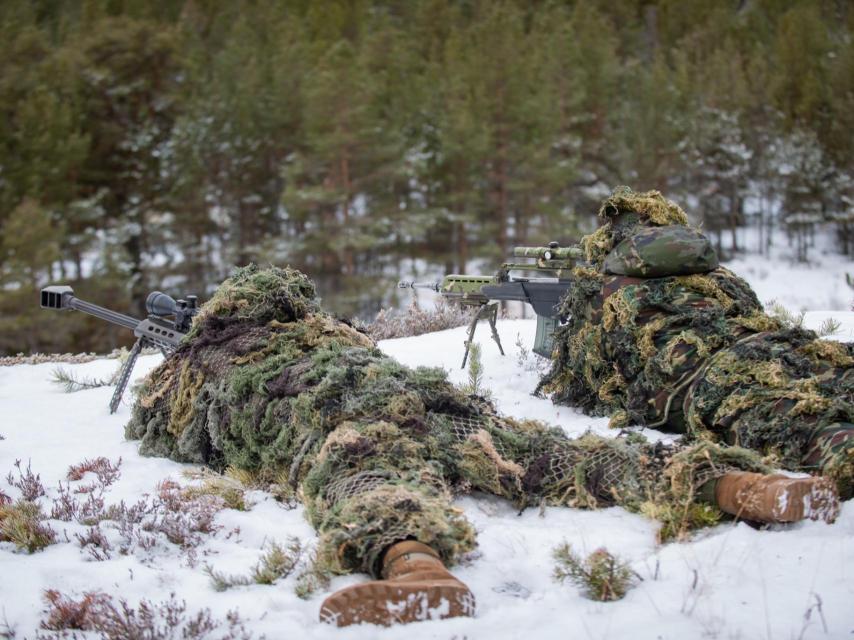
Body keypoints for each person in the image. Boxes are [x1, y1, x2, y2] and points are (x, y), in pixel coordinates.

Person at [127, 263, 839, 628]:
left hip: (344, 416)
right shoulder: (331, 333)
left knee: (365, 469)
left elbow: (166, 427)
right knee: (561, 457)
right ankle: (738, 485)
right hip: (438, 405)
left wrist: (180, 360)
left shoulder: (210, 359)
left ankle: (416, 570)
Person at [539, 187, 854, 500]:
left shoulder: (607, 290)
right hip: (768, 344)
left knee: (786, 421)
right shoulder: (719, 275)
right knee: (831, 377)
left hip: (695, 376)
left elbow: (582, 375)